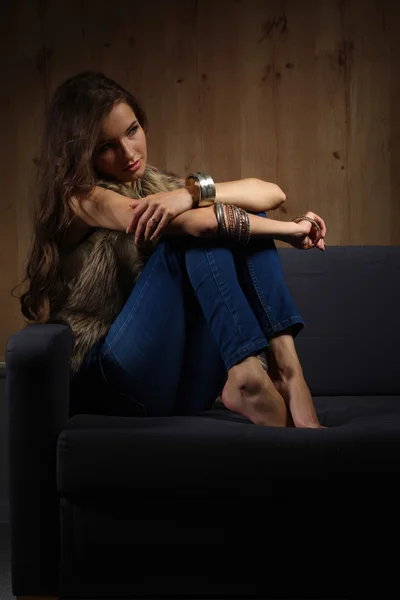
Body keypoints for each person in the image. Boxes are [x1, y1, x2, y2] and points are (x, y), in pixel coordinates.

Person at [15, 71, 327, 428]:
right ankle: (249, 374)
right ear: (81, 153)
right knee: (201, 231)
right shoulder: (80, 200)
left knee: (242, 214)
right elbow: (200, 225)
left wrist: (187, 193)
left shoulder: (157, 187)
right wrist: (290, 230)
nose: (128, 153)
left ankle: (287, 371)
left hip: (180, 382)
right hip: (119, 384)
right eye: (105, 147)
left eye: (132, 131)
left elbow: (270, 193)